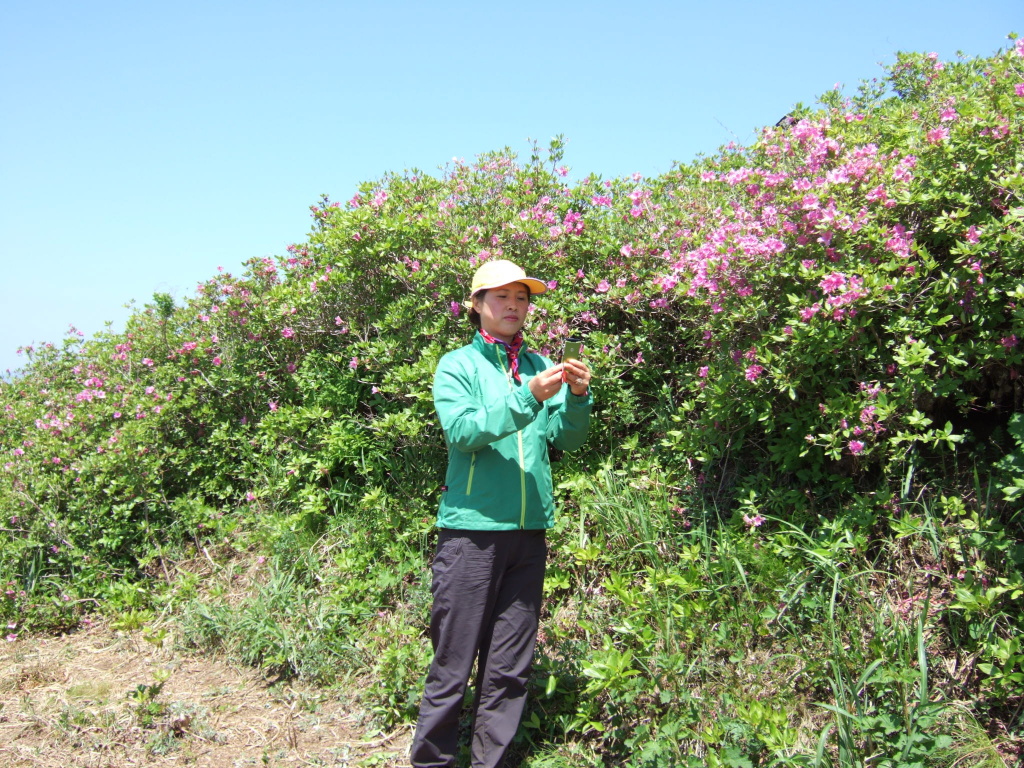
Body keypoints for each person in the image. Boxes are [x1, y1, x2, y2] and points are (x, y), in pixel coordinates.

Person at [410, 259, 593, 768]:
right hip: (470, 534)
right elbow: (462, 432)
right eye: (501, 297)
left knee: (509, 667)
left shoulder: (538, 365)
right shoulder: (458, 366)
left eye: (522, 298)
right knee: (452, 664)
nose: (514, 306)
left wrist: (577, 395)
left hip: (529, 534)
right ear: (476, 305)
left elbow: (568, 440)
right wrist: (525, 397)